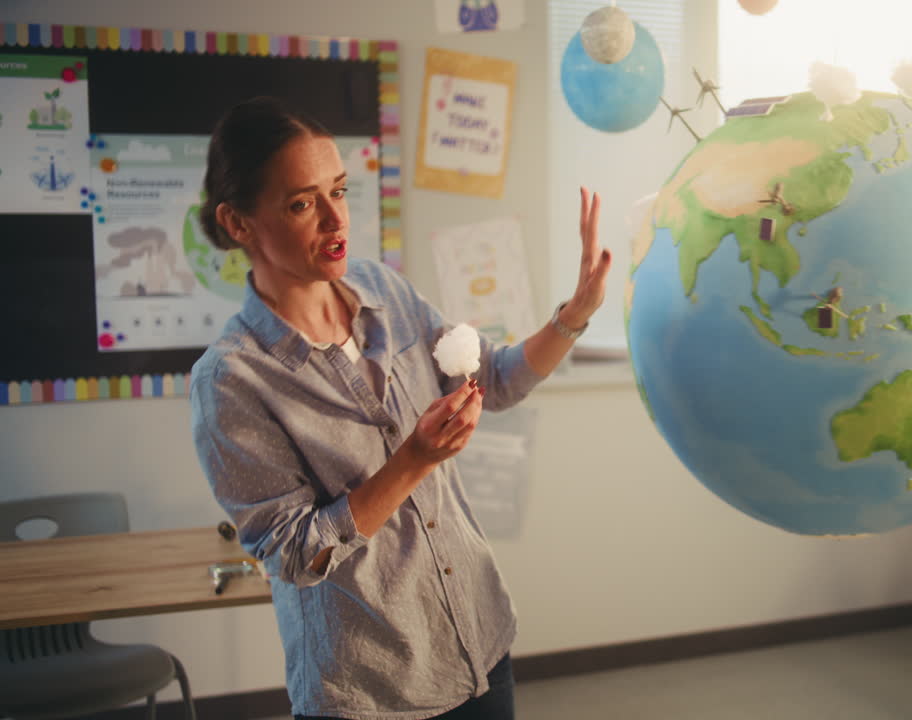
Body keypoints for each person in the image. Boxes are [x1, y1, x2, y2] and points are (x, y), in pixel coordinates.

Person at [190, 96, 610, 720]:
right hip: (371, 688)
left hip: (478, 642)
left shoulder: (383, 287)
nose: (337, 220)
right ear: (238, 223)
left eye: (339, 190)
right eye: (303, 203)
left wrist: (572, 318)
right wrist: (412, 461)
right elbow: (296, 555)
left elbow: (491, 378)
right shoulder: (231, 380)